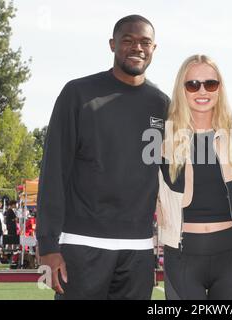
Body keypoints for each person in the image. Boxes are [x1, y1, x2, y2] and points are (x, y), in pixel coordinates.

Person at [37, 15, 169, 300]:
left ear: (154, 49)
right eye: (128, 40)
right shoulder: (78, 93)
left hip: (139, 248)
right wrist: (47, 245)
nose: (137, 48)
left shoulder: (162, 103)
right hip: (82, 245)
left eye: (145, 42)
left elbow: (173, 173)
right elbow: (53, 171)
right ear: (112, 45)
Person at [157, 54, 232, 300]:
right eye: (193, 84)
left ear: (220, 88)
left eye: (210, 84)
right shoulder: (161, 139)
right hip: (181, 257)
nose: (202, 91)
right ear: (182, 89)